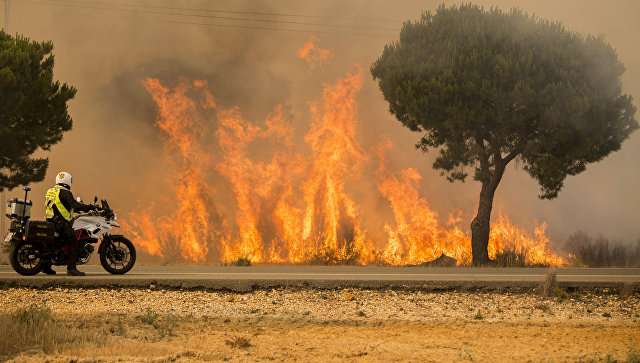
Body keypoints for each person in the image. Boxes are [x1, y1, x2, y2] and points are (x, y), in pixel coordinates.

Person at [43, 171, 97, 276]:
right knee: (74, 242)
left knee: (52, 245)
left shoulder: (51, 191)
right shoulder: (65, 192)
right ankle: (71, 268)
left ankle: (46, 267)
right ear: (68, 181)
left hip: (50, 221)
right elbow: (74, 204)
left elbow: (59, 205)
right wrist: (90, 207)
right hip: (61, 223)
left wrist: (73, 210)